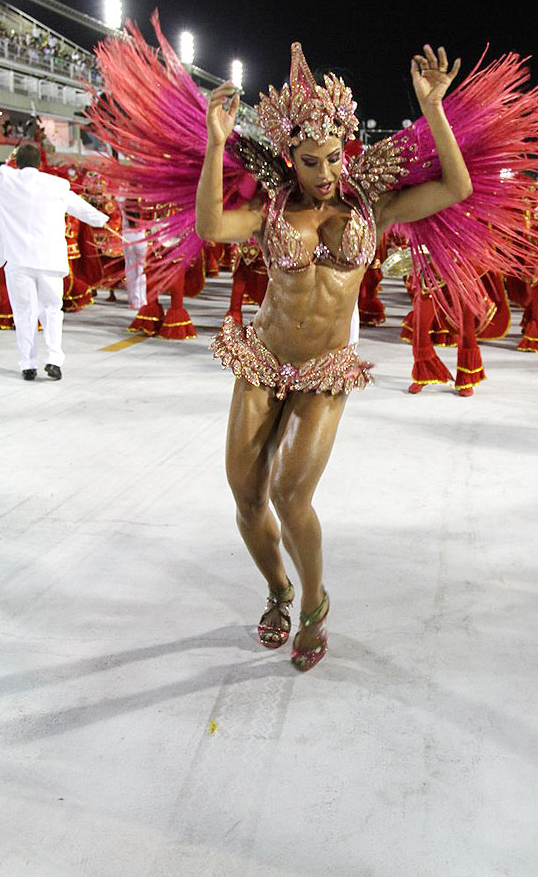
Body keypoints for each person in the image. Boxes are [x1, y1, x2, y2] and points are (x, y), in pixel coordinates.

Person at [196, 44, 471, 671]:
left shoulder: (370, 209)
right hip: (265, 359)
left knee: (292, 495)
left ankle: (314, 605)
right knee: (245, 495)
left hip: (325, 371)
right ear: (289, 158)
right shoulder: (271, 212)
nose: (325, 172)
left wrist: (432, 108)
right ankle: (278, 589)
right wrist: (217, 144)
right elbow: (211, 226)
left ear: (348, 147)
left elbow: (457, 186)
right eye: (311, 161)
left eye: (334, 157)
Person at [0, 142, 109, 380]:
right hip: (49, 260)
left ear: (17, 162)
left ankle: (27, 364)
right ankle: (54, 359)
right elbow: (81, 208)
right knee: (52, 311)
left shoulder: (3, 182)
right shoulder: (56, 185)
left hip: (18, 260)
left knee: (24, 312)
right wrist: (102, 220)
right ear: (39, 163)